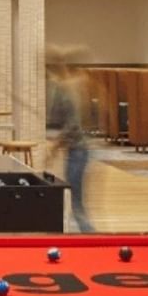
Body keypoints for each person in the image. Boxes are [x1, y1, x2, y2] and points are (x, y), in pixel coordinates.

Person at [46, 46, 94, 233]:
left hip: (79, 151)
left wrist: (55, 146)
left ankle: (91, 239)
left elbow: (73, 124)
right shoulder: (67, 86)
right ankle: (86, 235)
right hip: (76, 150)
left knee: (77, 202)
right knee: (76, 200)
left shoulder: (69, 89)